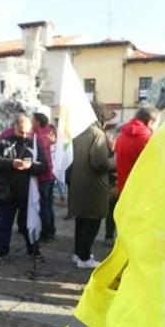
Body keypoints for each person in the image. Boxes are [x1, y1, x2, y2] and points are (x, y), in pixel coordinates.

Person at [0, 114, 48, 265]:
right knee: (4, 224)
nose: (24, 135)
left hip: (28, 193)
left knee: (29, 224)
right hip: (8, 192)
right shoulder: (3, 142)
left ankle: (33, 250)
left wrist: (31, 167)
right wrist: (11, 164)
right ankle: (1, 252)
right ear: (14, 127)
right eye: (21, 131)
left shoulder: (35, 144)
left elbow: (44, 166)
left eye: (27, 132)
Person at [69, 114, 116, 269]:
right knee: (92, 221)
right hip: (93, 185)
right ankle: (84, 257)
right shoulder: (97, 134)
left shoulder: (77, 132)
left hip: (78, 183)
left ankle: (78, 254)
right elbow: (99, 163)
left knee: (81, 221)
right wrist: (114, 163)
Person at [115, 106, 159, 193]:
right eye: (157, 124)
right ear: (150, 123)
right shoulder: (147, 140)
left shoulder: (122, 135)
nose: (157, 128)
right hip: (141, 191)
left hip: (124, 189)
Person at [32, 112, 57, 243]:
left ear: (37, 122)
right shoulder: (51, 133)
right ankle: (51, 230)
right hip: (52, 173)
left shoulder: (37, 136)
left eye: (33, 120)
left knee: (44, 205)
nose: (31, 122)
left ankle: (46, 232)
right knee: (49, 204)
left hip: (43, 174)